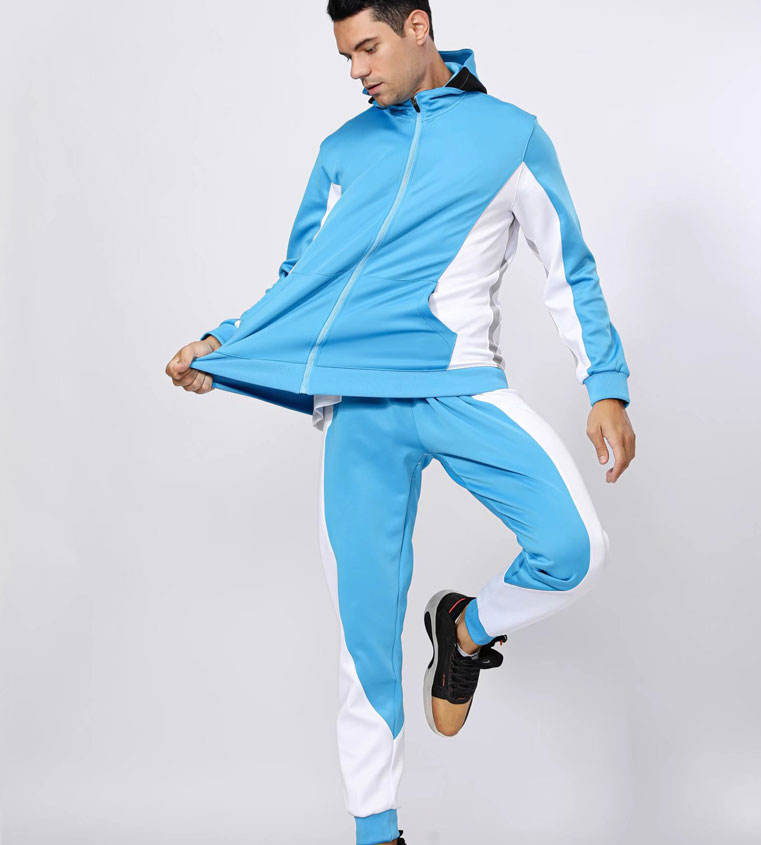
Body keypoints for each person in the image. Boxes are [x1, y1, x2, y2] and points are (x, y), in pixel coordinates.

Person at [165, 2, 636, 843]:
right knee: (365, 639)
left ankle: (465, 628)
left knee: (575, 549)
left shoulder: (510, 135)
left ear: (419, 27)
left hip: (457, 386)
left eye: (368, 48)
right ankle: (376, 830)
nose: (357, 71)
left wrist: (605, 384)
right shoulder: (343, 150)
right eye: (346, 57)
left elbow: (568, 263)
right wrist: (224, 345)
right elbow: (300, 281)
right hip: (359, 407)